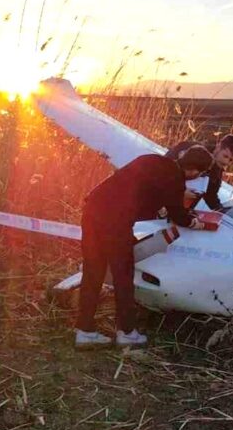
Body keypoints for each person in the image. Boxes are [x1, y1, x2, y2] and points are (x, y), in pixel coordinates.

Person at [75, 147, 214, 349]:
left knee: (93, 271)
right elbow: (179, 216)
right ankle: (127, 332)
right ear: (195, 171)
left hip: (92, 208)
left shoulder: (151, 160)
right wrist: (195, 223)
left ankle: (84, 331)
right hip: (116, 221)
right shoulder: (175, 180)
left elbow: (135, 192)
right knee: (123, 275)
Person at [166, 133, 233, 210]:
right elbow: (163, 169)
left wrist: (223, 212)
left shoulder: (217, 173)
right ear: (219, 146)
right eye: (225, 156)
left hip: (178, 211)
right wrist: (180, 191)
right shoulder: (189, 148)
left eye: (231, 160)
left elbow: (211, 197)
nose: (226, 162)